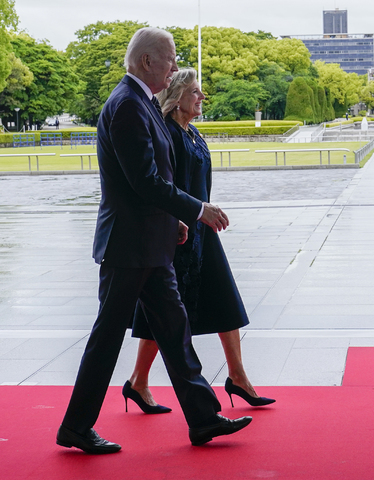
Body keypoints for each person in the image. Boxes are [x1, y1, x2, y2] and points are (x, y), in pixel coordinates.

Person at [56, 27, 252, 455]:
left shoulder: (138, 103)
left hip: (147, 243)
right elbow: (144, 180)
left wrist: (172, 219)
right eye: (171, 59)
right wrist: (196, 210)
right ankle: (75, 426)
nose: (176, 67)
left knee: (176, 332)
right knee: (107, 338)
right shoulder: (127, 105)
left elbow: (151, 179)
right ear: (147, 62)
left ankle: (203, 418)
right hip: (129, 248)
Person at [123, 68, 274, 414]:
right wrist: (182, 217)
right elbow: (162, 185)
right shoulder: (170, 135)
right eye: (195, 92)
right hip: (179, 234)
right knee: (161, 316)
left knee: (225, 302)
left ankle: (237, 377)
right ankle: (138, 382)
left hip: (202, 232)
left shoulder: (193, 134)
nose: (202, 97)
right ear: (177, 99)